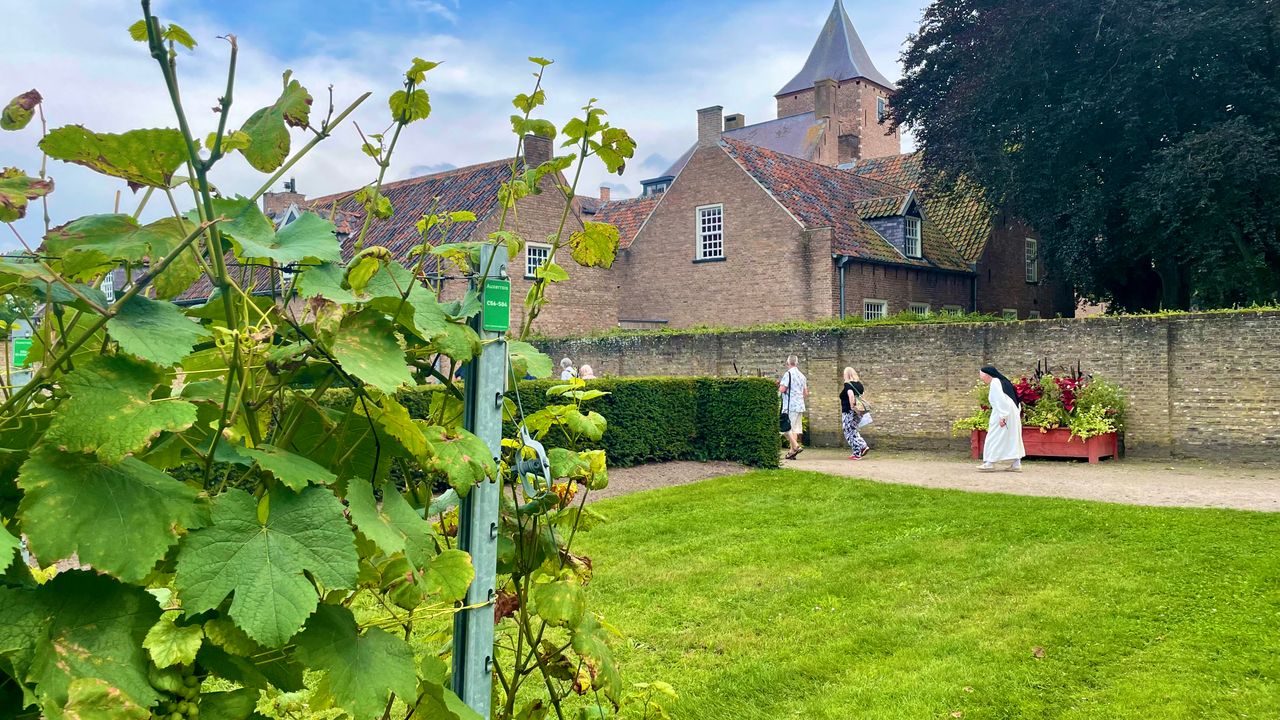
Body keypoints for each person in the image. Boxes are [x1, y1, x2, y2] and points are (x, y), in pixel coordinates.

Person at [978, 365, 1025, 471]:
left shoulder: (995, 382)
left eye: (981, 375)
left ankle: (990, 463)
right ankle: (1016, 464)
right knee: (1013, 437)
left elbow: (1000, 400)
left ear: (987, 375)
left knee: (994, 436)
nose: (981, 378)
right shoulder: (1004, 381)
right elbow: (1015, 399)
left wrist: (1003, 416)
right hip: (1013, 413)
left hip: (1003, 412)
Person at [778, 355, 809, 459]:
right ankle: (792, 452)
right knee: (794, 429)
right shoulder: (802, 376)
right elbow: (805, 393)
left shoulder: (788, 374)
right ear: (796, 363)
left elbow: (782, 389)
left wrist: (778, 386)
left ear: (788, 363)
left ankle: (795, 446)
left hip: (790, 405)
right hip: (800, 405)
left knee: (784, 427)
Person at [840, 367, 869, 460]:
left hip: (849, 411)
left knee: (848, 431)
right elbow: (863, 396)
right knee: (854, 430)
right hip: (859, 411)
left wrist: (852, 407)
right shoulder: (860, 385)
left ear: (846, 375)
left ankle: (859, 450)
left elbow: (851, 395)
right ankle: (860, 448)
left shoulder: (848, 385)